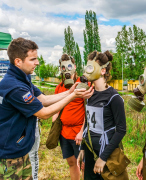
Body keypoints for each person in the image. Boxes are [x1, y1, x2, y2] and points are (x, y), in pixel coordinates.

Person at [0, 37, 93, 180]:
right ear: (18, 61)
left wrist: (69, 92)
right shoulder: (14, 86)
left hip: (20, 151)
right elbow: (43, 113)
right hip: (9, 155)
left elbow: (43, 99)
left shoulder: (23, 78)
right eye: (32, 59)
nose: (37, 62)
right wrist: (73, 95)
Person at [77, 50, 127, 179]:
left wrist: (103, 158)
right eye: (87, 66)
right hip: (89, 151)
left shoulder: (114, 97)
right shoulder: (89, 94)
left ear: (103, 71)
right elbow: (88, 123)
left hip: (107, 155)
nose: (87, 71)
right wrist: (83, 148)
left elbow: (121, 130)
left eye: (91, 67)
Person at [52, 54, 87, 180]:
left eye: (69, 65)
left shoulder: (83, 85)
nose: (66, 69)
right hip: (64, 133)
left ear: (75, 66)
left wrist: (82, 132)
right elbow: (56, 109)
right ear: (60, 68)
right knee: (72, 163)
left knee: (83, 165)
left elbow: (88, 110)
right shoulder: (59, 87)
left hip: (78, 133)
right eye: (63, 66)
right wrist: (54, 125)